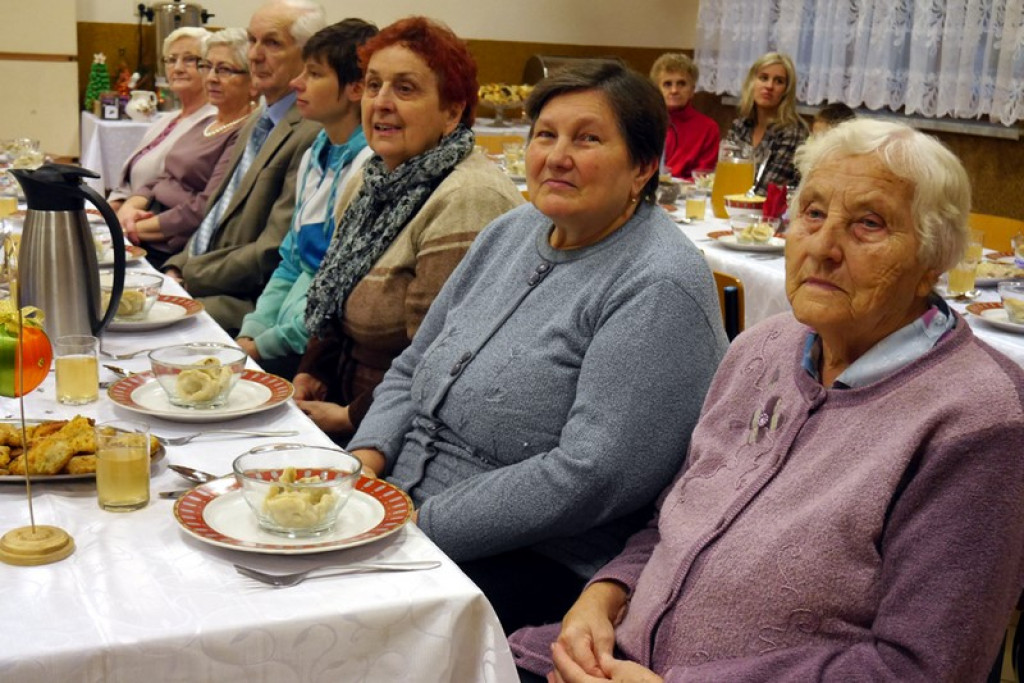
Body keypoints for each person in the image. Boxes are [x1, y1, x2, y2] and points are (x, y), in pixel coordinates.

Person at [510, 118, 1024, 683]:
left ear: (935, 258)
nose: (824, 248)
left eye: (868, 224)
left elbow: (922, 668)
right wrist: (606, 594)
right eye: (812, 214)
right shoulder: (764, 347)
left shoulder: (978, 419)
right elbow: (675, 518)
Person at [344, 59, 727, 632]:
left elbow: (589, 474)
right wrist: (363, 462)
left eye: (588, 139)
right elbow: (413, 365)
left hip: (531, 561)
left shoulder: (657, 283)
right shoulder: (512, 230)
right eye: (545, 135)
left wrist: (415, 521)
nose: (557, 156)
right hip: (399, 504)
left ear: (643, 167)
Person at [292, 17, 524, 435]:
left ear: (452, 112)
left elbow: (440, 358)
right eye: (373, 84)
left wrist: (349, 418)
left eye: (405, 89)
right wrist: (312, 370)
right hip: (342, 401)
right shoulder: (373, 177)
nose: (380, 102)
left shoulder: (467, 198)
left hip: (407, 431)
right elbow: (335, 287)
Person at [163, 0, 325, 335]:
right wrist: (177, 266)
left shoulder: (312, 130)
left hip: (248, 304)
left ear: (308, 54)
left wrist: (189, 275)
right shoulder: (258, 118)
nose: (254, 55)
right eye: (252, 41)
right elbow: (214, 212)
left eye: (273, 43)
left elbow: (271, 252)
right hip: (206, 278)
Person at [235, 19, 378, 379]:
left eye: (313, 74)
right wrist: (251, 334)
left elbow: (335, 293)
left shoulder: (369, 166)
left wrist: (263, 348)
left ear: (355, 88)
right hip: (282, 337)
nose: (297, 83)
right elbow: (291, 262)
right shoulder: (317, 150)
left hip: (319, 354)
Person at [115, 29, 255, 270]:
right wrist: (129, 208)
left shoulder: (243, 132)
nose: (211, 77)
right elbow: (161, 178)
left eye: (223, 70)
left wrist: (133, 228)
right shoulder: (208, 123)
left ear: (253, 80)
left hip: (170, 247)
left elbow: (204, 207)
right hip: (145, 226)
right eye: (207, 67)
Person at [107, 27, 214, 210]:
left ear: (210, 66)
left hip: (155, 221)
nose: (178, 68)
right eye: (171, 60)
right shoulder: (164, 120)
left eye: (189, 59)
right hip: (124, 214)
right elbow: (128, 181)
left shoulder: (213, 122)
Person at [726, 52, 808, 192]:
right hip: (736, 203)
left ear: (786, 91)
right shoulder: (740, 126)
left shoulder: (792, 132)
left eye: (779, 81)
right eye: (763, 78)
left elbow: (766, 190)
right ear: (752, 83)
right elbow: (727, 176)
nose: (769, 86)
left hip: (772, 211)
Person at [649, 53, 718, 180]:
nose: (674, 90)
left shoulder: (708, 128)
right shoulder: (645, 121)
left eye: (681, 84)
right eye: (667, 84)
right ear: (656, 90)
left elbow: (704, 174)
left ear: (692, 90)